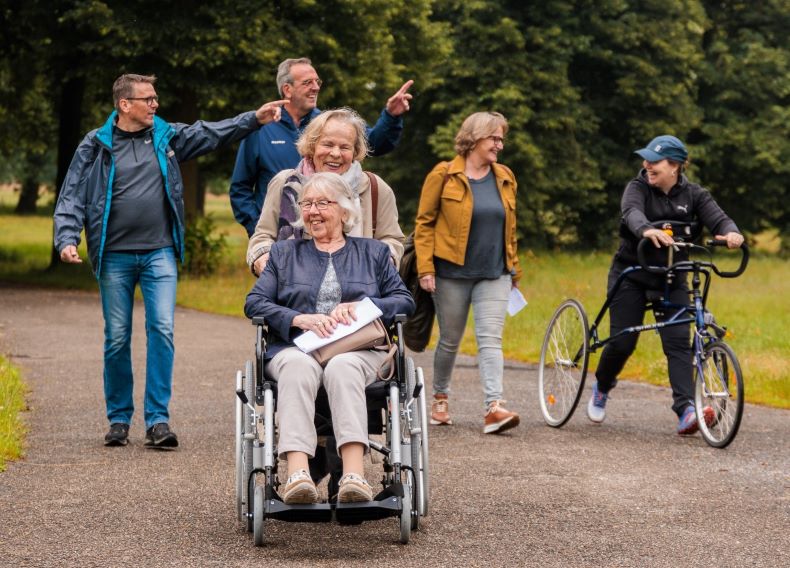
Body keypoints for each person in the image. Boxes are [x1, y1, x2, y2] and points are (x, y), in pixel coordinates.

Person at [53, 73, 286, 449]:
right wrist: (66, 237)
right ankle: (118, 419)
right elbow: (72, 194)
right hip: (113, 255)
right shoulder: (95, 144)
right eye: (147, 99)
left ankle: (158, 421)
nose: (155, 104)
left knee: (161, 329)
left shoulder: (166, 137)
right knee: (116, 338)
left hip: (159, 252)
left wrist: (252, 119)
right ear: (124, 104)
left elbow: (210, 132)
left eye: (155, 98)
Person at [244, 173, 415, 504]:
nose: (313, 211)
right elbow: (255, 302)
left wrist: (365, 306)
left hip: (360, 350)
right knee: (296, 367)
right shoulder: (283, 253)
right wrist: (297, 318)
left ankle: (353, 475)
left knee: (343, 366)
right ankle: (297, 475)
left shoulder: (374, 253)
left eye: (323, 203)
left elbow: (403, 301)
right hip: (297, 348)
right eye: (307, 204)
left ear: (346, 210)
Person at [586, 135, 744, 435]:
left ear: (675, 166)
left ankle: (686, 410)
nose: (646, 165)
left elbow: (720, 220)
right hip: (632, 273)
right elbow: (632, 212)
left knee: (678, 345)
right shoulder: (638, 187)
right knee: (622, 342)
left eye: (654, 161)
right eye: (645, 160)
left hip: (672, 277)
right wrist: (646, 230)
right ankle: (602, 387)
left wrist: (732, 234)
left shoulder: (695, 195)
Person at [414, 111, 522, 434]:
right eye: (494, 138)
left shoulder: (505, 176)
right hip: (450, 273)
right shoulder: (444, 175)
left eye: (501, 139)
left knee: (491, 339)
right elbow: (424, 224)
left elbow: (510, 226)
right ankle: (440, 398)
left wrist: (514, 267)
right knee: (450, 340)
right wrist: (425, 268)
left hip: (494, 272)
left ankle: (494, 407)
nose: (499, 145)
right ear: (475, 138)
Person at [230, 57, 413, 237]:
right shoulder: (261, 129)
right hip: (282, 242)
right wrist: (259, 230)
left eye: (317, 81)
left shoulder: (329, 123)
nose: (316, 87)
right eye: (308, 82)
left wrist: (391, 117)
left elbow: (373, 144)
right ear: (287, 89)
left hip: (330, 236)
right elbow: (240, 188)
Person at [246, 107, 404, 276]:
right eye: (328, 144)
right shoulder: (284, 184)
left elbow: (393, 239)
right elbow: (263, 236)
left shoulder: (376, 188)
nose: (335, 153)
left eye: (345, 147)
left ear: (355, 151)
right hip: (291, 294)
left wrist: (382, 262)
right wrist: (262, 258)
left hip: (358, 295)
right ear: (312, 146)